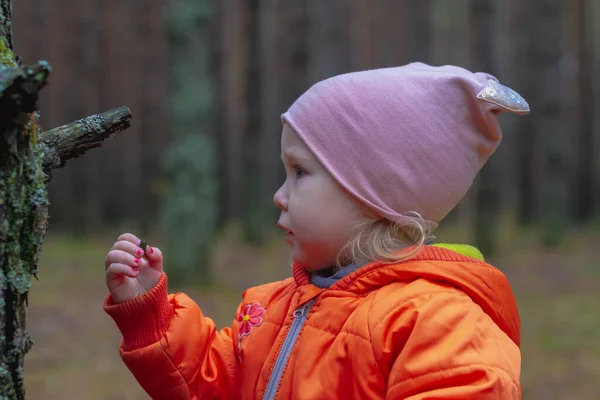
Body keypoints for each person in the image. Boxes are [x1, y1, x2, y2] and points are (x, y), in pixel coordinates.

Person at [104, 63, 529, 399]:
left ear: (371, 192)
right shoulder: (271, 310)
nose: (279, 195)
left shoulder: (440, 324)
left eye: (300, 173)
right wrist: (150, 314)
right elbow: (208, 385)